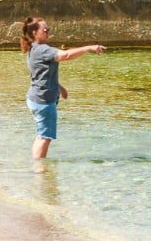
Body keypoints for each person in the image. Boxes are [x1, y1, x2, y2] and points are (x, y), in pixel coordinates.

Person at [21, 17, 105, 160]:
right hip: (44, 102)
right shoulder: (43, 50)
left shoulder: (33, 49)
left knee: (41, 135)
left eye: (48, 29)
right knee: (45, 137)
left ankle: (36, 164)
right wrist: (89, 48)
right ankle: (40, 170)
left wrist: (59, 87)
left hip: (35, 98)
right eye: (45, 30)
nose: (48, 32)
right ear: (35, 33)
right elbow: (65, 55)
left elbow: (40, 74)